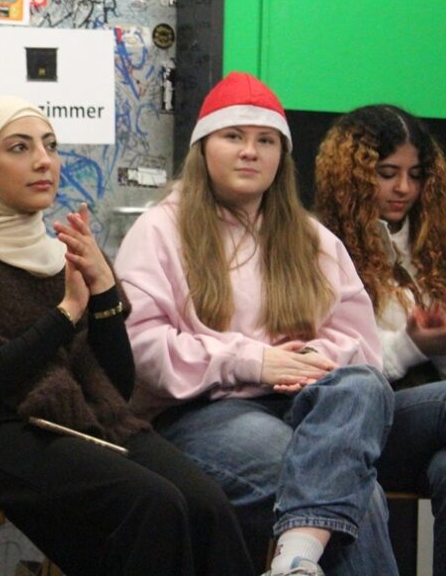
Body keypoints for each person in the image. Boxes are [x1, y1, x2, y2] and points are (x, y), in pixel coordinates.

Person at [0, 95, 254, 575]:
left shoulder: (61, 251)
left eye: (50, 145)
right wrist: (65, 314)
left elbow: (116, 388)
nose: (43, 160)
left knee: (206, 504)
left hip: (85, 418)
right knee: (151, 504)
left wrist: (104, 293)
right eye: (20, 148)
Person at [114, 72, 397, 576]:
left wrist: (312, 360)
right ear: (203, 148)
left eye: (266, 140)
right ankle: (296, 560)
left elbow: (361, 342)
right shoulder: (159, 230)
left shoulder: (311, 237)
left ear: (281, 156)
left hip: (311, 404)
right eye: (234, 136)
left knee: (366, 384)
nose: (250, 152)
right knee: (359, 493)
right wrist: (254, 361)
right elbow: (141, 348)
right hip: (200, 412)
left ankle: (295, 559)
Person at [315, 104, 446, 575]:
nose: (404, 188)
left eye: (415, 175)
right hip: (361, 427)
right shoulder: (319, 246)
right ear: (352, 176)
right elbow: (340, 371)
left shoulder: (433, 247)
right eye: (387, 174)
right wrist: (415, 347)